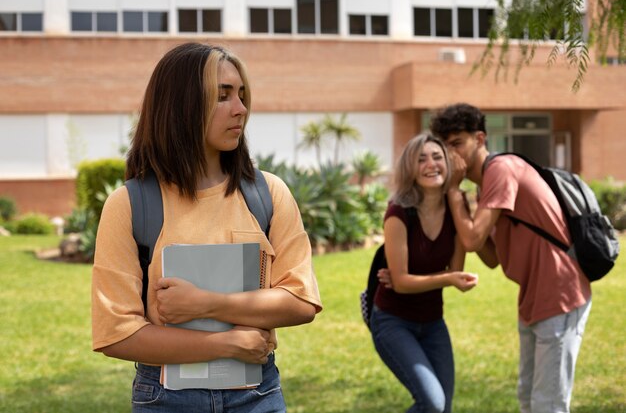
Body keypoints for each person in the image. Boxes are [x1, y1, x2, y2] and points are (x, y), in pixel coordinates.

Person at [91, 42, 322, 412]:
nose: (241, 109)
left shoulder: (268, 193)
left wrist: (207, 304)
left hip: (257, 395)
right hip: (165, 399)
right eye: (222, 96)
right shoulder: (130, 205)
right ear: (182, 106)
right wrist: (223, 345)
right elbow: (116, 334)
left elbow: (302, 301)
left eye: (242, 95)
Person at [430, 102, 591, 413]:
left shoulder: (501, 170)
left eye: (457, 144)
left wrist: (452, 191)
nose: (452, 155)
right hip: (533, 297)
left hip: (559, 293)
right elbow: (491, 258)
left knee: (548, 404)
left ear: (479, 139)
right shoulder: (484, 185)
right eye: (445, 147)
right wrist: (461, 205)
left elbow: (473, 238)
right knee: (528, 399)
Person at [370, 133, 484, 413]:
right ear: (410, 168)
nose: (431, 164)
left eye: (437, 157)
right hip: (393, 322)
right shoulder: (398, 212)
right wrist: (445, 279)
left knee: (443, 409)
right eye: (421, 159)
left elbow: (455, 269)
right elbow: (402, 282)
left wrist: (449, 276)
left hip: (433, 322)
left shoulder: (456, 209)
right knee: (433, 404)